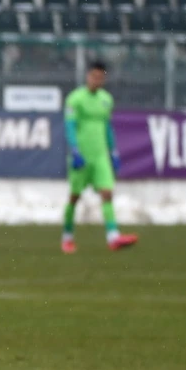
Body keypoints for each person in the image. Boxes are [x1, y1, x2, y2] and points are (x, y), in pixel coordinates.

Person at [61, 61, 138, 253]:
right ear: (88, 76)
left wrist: (113, 152)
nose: (97, 80)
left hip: (100, 155)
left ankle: (113, 237)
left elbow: (107, 127)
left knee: (107, 193)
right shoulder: (75, 99)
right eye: (94, 76)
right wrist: (75, 150)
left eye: (101, 77)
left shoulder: (106, 100)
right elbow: (70, 126)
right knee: (74, 197)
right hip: (81, 156)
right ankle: (67, 237)